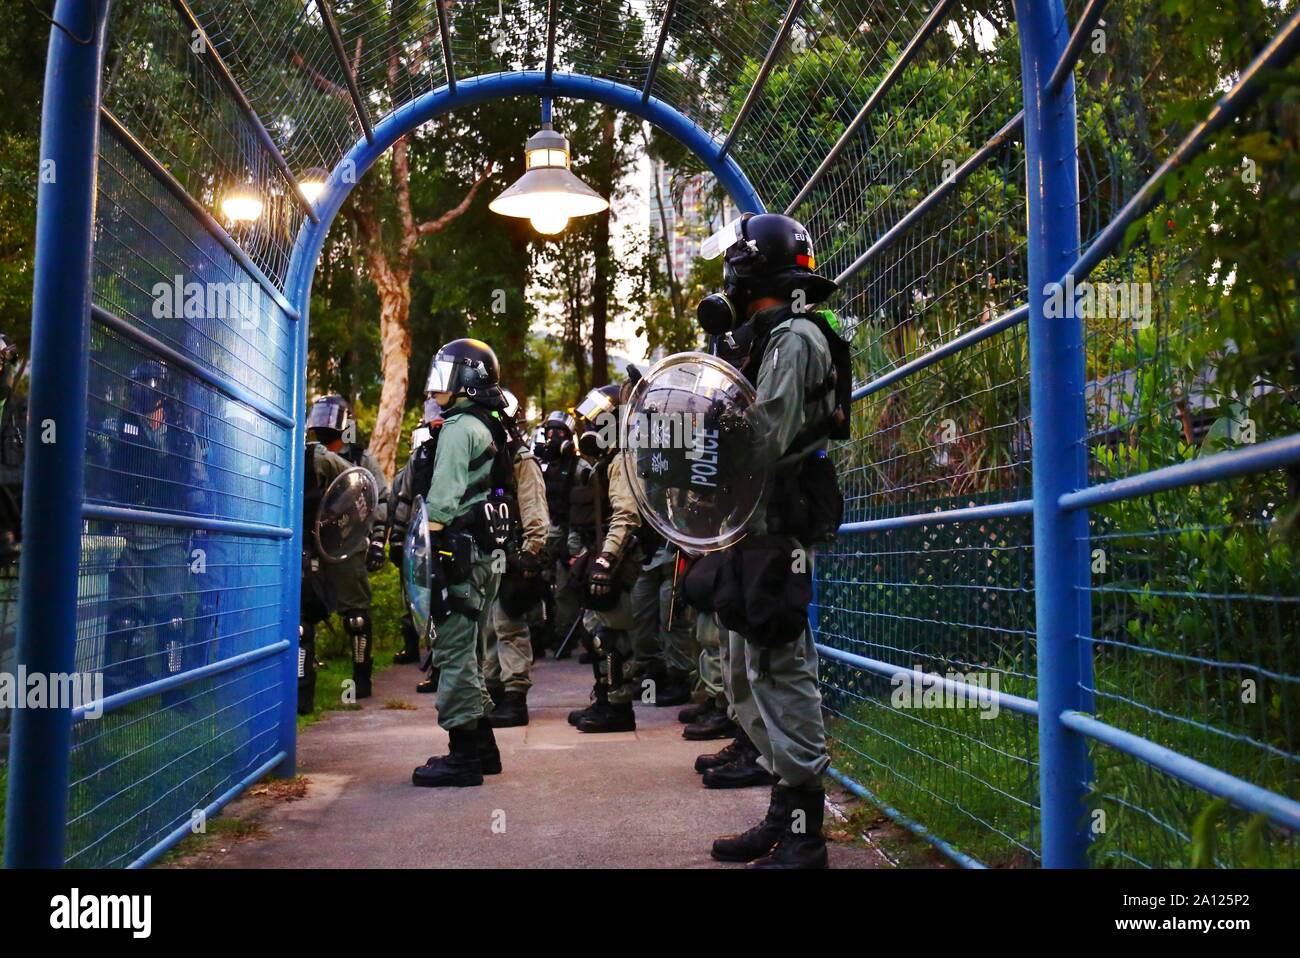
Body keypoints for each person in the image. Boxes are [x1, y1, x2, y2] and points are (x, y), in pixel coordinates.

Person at [694, 212, 851, 869]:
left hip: (779, 526)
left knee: (783, 668)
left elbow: (768, 434)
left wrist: (712, 450)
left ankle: (806, 835)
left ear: (750, 268)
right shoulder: (768, 338)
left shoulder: (795, 337)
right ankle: (783, 816)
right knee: (752, 669)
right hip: (756, 526)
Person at [411, 339, 513, 788]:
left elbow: (442, 503)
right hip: (482, 558)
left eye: (445, 376)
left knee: (452, 651)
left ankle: (463, 758)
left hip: (457, 556)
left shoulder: (457, 428)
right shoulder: (488, 424)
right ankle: (483, 750)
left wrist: (427, 562)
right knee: (469, 650)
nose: (436, 388)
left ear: (466, 380)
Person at [564, 382, 643, 734]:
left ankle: (618, 707)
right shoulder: (612, 459)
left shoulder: (623, 458)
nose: (591, 430)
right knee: (598, 629)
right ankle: (606, 697)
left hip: (625, 559)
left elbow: (626, 515)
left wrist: (607, 559)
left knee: (611, 636)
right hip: (616, 555)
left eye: (597, 421)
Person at [306, 394, 390, 700]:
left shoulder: (361, 460)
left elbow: (378, 499)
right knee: (303, 619)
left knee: (356, 617)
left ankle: (361, 679)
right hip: (311, 545)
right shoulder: (305, 456)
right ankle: (304, 686)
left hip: (348, 543)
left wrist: (378, 540)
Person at [482, 389, 550, 727]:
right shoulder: (485, 456)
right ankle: (493, 689)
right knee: (489, 627)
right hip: (488, 553)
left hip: (514, 553)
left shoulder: (520, 459)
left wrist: (530, 553)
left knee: (509, 624)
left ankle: (515, 696)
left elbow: (534, 510)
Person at [298, 438, 357, 714]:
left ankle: (302, 701)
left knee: (302, 626)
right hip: (273, 549)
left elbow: (356, 486)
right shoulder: (265, 448)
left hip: (311, 551)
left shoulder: (320, 458)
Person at [387, 397, 445, 669]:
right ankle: (416, 648)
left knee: (444, 603)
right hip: (419, 538)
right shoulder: (419, 457)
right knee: (415, 597)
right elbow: (405, 498)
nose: (437, 421)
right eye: (433, 416)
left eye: (441, 416)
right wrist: (397, 538)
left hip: (448, 538)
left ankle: (440, 665)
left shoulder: (459, 448)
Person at [534, 409, 580, 653]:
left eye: (559, 432)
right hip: (542, 533)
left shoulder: (578, 466)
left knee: (563, 589)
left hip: (566, 533)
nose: (553, 437)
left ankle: (565, 635)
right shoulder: (538, 464)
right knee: (537, 583)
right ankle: (540, 632)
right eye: (549, 431)